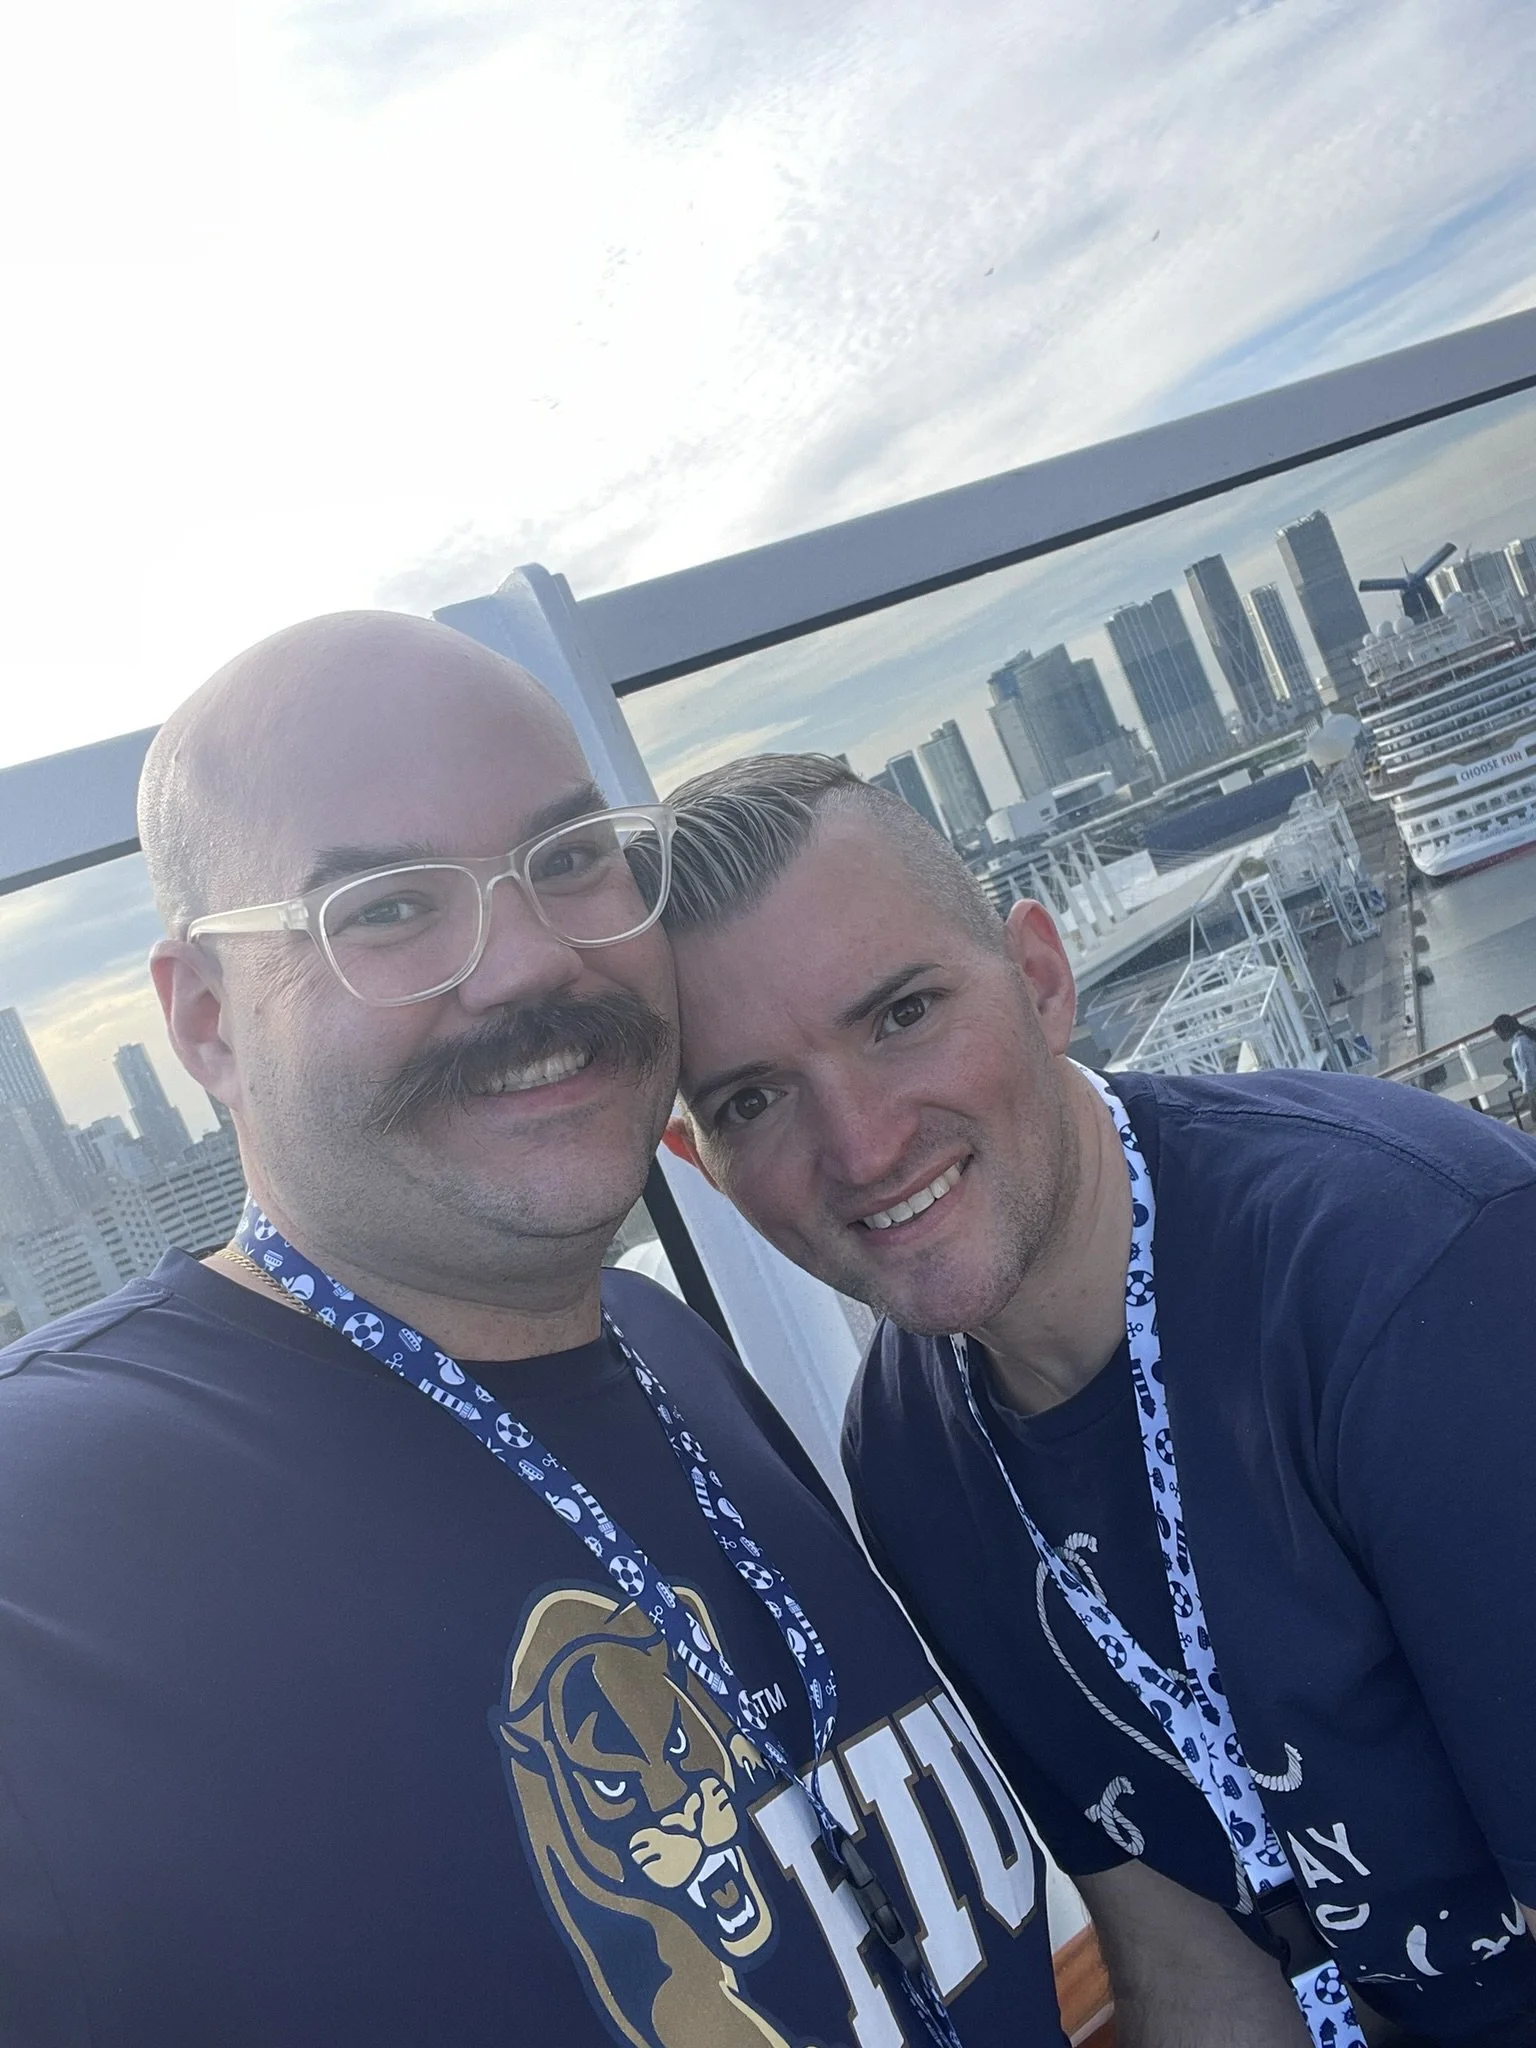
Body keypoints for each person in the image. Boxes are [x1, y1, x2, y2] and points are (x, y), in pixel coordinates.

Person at [0, 622, 1069, 2048]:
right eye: (385, 908)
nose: (524, 966)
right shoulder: (53, 1538)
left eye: (570, 862)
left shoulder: (667, 1349)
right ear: (206, 1021)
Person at [658, 751, 1536, 2048]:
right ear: (701, 1165)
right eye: (751, 1098)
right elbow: (1182, 1952)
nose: (862, 1145)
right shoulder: (909, 1462)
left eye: (900, 1014)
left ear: (1043, 979)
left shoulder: (1408, 1283)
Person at [1492, 1013, 1536, 1101]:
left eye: (1498, 1032)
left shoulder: (1521, 1044)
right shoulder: (1522, 1040)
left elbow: (1529, 1069)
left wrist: (1527, 1092)